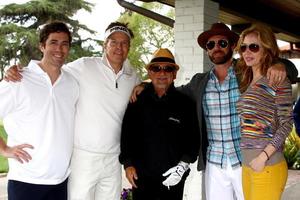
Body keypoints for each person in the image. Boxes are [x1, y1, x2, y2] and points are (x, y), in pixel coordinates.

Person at [131, 22, 298, 200]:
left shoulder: (247, 73)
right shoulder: (199, 83)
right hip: (214, 163)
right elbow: (171, 93)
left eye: (222, 43)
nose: (216, 47)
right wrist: (145, 86)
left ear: (233, 46)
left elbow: (288, 70)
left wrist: (279, 66)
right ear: (207, 50)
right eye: (210, 45)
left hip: (247, 160)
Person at [4, 22, 140, 200]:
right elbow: (49, 67)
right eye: (113, 42)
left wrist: (144, 85)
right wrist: (13, 69)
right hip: (82, 158)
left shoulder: (133, 76)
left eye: (124, 43)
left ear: (129, 47)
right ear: (104, 44)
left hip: (113, 158)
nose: (118, 47)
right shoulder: (84, 66)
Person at [0, 21, 79, 200]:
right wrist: (4, 149)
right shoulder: (18, 80)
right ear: (42, 46)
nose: (59, 49)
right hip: (25, 182)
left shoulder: (72, 83)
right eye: (53, 42)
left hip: (61, 182)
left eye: (64, 44)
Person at [119, 48, 200, 200]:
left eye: (167, 69)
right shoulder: (137, 100)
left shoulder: (186, 104)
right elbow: (127, 133)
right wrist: (127, 163)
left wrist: (183, 166)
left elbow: (193, 140)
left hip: (173, 178)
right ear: (150, 73)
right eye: (156, 68)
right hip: (141, 177)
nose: (162, 73)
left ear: (174, 74)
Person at [236, 24, 293, 200]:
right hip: (248, 164)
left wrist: (263, 157)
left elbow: (287, 123)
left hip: (267, 164)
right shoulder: (247, 81)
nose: (247, 52)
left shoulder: (277, 79)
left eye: (253, 47)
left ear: (266, 49)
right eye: (243, 47)